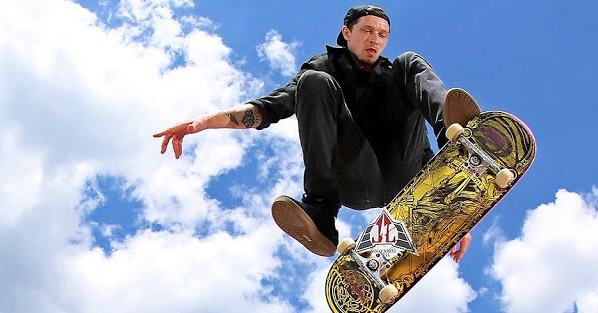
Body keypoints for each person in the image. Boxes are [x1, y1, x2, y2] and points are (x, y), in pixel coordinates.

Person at [154, 5, 472, 261]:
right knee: (314, 82)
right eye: (367, 31)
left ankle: (458, 138)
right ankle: (320, 214)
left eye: (383, 34)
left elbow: (416, 143)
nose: (375, 39)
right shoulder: (324, 67)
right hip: (355, 177)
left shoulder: (396, 75)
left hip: (406, 173)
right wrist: (205, 123)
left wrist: (455, 212)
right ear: (347, 33)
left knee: (410, 61)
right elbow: (269, 108)